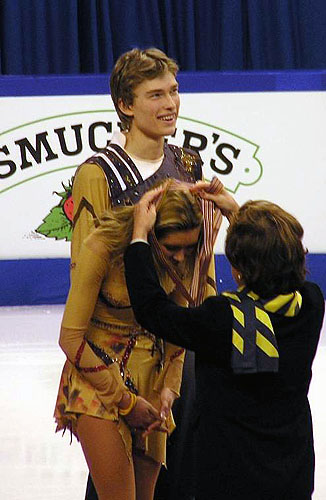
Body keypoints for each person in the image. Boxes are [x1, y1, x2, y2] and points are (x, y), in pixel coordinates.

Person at [70, 47, 216, 499]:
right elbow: (86, 273)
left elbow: (199, 256)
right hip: (112, 349)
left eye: (174, 90)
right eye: (155, 94)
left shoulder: (187, 163)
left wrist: (204, 315)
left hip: (174, 344)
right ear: (126, 105)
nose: (170, 102)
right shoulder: (98, 174)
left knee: (177, 471)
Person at [124, 183, 325, 500]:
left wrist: (138, 237)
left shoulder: (222, 318)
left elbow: (153, 311)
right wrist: (236, 214)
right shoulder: (311, 304)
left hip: (230, 477)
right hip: (292, 473)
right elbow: (281, 269)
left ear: (238, 271)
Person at [54, 184, 208, 500]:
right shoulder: (103, 246)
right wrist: (125, 401)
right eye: (172, 249)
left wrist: (170, 388)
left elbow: (177, 329)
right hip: (96, 381)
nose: (181, 258)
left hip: (151, 382)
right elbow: (69, 337)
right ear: (150, 235)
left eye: (188, 250)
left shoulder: (187, 254)